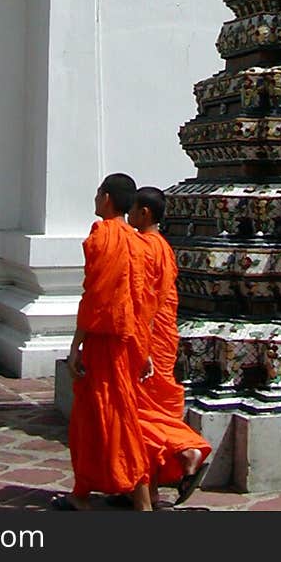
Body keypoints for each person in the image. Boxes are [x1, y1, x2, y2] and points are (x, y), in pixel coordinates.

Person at [51, 173, 153, 512]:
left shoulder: (102, 236)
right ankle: (83, 491)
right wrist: (145, 348)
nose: (95, 199)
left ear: (106, 198)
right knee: (98, 417)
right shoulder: (137, 242)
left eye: (97, 194)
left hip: (103, 342)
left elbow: (95, 296)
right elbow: (141, 301)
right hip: (126, 341)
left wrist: (75, 345)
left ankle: (140, 496)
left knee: (112, 417)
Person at [128, 185, 211, 507]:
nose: (129, 215)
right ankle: (151, 485)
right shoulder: (163, 246)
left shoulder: (142, 248)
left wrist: (141, 347)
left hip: (149, 338)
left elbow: (142, 300)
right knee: (155, 408)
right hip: (164, 336)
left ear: (144, 213)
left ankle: (187, 448)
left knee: (139, 413)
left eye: (133, 210)